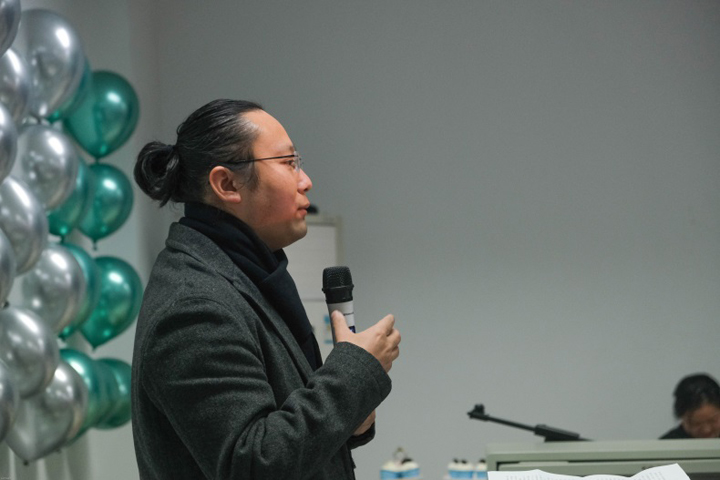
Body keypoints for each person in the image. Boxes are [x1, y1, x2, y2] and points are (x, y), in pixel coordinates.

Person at [131, 99, 401, 479]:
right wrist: (355, 372)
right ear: (227, 184)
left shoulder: (245, 274)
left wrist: (351, 412)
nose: (306, 181)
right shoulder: (193, 305)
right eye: (288, 163)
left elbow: (282, 427)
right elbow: (254, 464)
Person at [660, 373, 720, 439]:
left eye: (713, 420)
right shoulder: (668, 443)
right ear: (682, 418)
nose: (706, 430)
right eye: (697, 423)